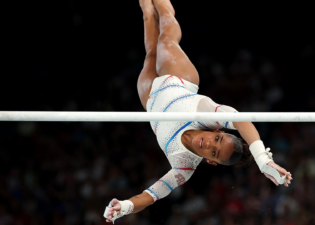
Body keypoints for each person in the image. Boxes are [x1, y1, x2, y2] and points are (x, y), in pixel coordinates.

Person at [104, 0, 292, 223]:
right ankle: (165, 6)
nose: (210, 144)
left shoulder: (183, 165)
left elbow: (153, 194)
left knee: (151, 52)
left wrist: (125, 207)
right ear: (217, 131)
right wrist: (263, 161)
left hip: (151, 98)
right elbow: (241, 121)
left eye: (214, 153)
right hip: (178, 76)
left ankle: (146, 8)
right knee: (166, 38)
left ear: (211, 162)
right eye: (217, 140)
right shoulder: (207, 114)